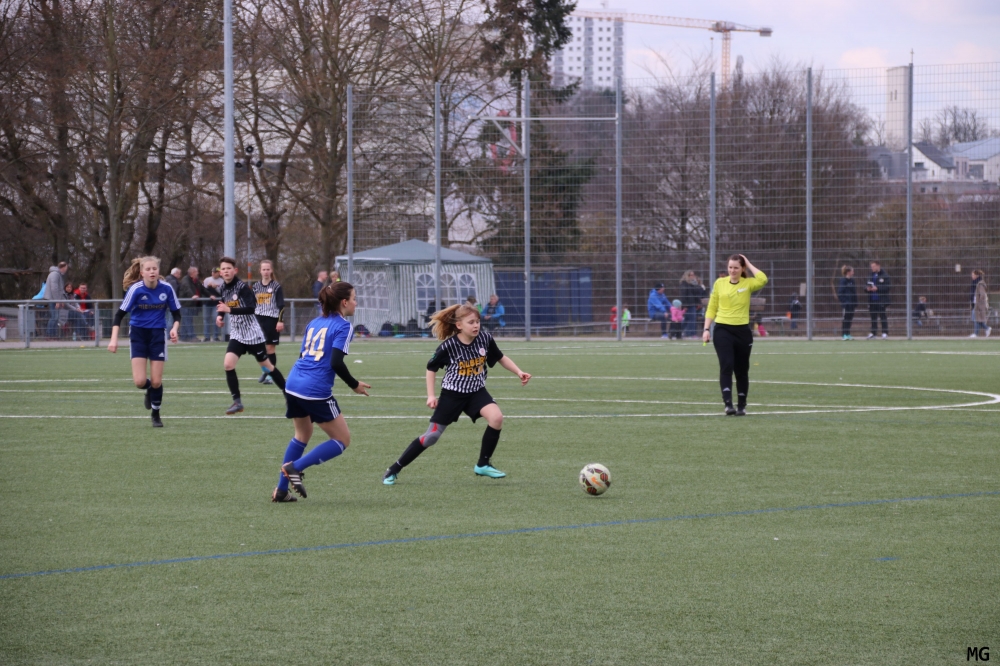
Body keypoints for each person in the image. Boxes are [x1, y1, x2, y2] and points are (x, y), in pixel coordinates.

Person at [381, 303, 531, 486]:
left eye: (477, 321)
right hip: (452, 395)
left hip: (476, 392)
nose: (476, 325)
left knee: (496, 418)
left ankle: (483, 464)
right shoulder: (449, 346)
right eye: (471, 322)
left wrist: (519, 372)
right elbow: (431, 368)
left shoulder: (485, 338)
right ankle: (394, 468)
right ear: (459, 325)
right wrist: (431, 395)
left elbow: (500, 357)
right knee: (431, 437)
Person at [274, 282, 371, 502]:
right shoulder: (344, 326)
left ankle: (281, 491)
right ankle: (295, 467)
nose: (356, 303)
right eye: (354, 298)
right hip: (314, 389)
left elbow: (303, 356)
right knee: (342, 440)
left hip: (293, 384)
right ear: (344, 302)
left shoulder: (314, 322)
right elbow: (336, 362)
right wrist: (354, 384)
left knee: (302, 435)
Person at [107, 256, 181, 427]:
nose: (152, 272)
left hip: (157, 335)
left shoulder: (167, 288)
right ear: (142, 273)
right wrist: (113, 339)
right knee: (140, 382)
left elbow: (177, 313)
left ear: (158, 271)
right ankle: (149, 390)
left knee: (156, 381)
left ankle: (156, 414)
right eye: (148, 269)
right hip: (138, 335)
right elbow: (119, 315)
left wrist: (174, 328)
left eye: (154, 269)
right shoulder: (136, 289)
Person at [215, 256, 287, 414]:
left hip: (253, 335)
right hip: (237, 335)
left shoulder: (242, 287)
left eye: (229, 268)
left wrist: (229, 310)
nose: (226, 271)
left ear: (235, 270)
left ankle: (289, 395)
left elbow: (251, 308)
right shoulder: (223, 288)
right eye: (223, 269)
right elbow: (222, 305)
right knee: (228, 364)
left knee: (267, 367)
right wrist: (220, 316)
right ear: (220, 272)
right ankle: (237, 402)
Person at [702, 254, 768, 416]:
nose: (732, 270)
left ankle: (741, 405)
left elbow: (763, 279)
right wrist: (706, 329)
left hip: (742, 332)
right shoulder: (719, 283)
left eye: (736, 267)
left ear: (742, 268)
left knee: (742, 369)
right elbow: (712, 307)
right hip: (722, 330)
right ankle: (728, 404)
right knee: (726, 365)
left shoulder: (748, 283)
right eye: (730, 267)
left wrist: (749, 263)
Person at [253, 259, 285, 385]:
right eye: (263, 269)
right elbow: (251, 303)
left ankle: (270, 376)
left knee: (270, 349)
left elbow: (281, 305)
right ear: (260, 271)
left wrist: (280, 321)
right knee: (259, 349)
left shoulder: (276, 286)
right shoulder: (256, 286)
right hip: (258, 320)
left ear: (271, 270)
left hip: (271, 320)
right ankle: (265, 370)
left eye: (268, 269)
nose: (266, 272)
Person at [866, 261, 891, 339]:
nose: (872, 268)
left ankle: (884, 332)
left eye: (873, 266)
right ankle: (873, 333)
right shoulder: (870, 275)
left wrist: (878, 288)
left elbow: (887, 287)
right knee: (873, 317)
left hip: (881, 300)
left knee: (882, 316)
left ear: (878, 266)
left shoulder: (885, 275)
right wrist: (867, 288)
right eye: (871, 267)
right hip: (872, 299)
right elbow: (866, 285)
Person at [177, 266, 203, 341]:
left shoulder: (195, 280)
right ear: (192, 273)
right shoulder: (185, 280)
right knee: (188, 320)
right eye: (196, 272)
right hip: (185, 304)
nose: (197, 273)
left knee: (186, 320)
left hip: (190, 304)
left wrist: (210, 295)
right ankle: (192, 336)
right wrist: (192, 295)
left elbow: (202, 289)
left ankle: (183, 337)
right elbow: (187, 288)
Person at [43, 262, 68, 338]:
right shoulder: (55, 274)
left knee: (55, 317)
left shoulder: (57, 274)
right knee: (54, 317)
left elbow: (60, 290)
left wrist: (61, 300)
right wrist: (57, 300)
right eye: (66, 268)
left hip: (54, 299)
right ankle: (50, 334)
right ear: (63, 267)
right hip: (53, 299)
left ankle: (52, 335)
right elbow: (54, 288)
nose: (66, 270)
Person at [679, 271, 705, 338]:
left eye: (693, 275)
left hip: (693, 303)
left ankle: (678, 331)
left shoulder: (693, 283)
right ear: (687, 276)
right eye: (691, 275)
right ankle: (691, 334)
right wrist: (684, 305)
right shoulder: (684, 284)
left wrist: (697, 284)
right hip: (688, 304)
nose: (693, 276)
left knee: (688, 319)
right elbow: (683, 295)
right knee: (691, 319)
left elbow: (698, 292)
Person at [202, 267, 224, 341]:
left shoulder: (222, 281)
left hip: (216, 303)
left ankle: (215, 336)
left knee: (216, 319)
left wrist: (216, 287)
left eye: (215, 272)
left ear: (219, 273)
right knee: (206, 319)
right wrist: (208, 286)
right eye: (212, 272)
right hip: (207, 303)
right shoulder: (207, 280)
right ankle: (207, 336)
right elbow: (203, 290)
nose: (213, 273)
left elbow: (222, 292)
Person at [837, 265, 858, 340]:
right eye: (852, 271)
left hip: (852, 304)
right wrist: (844, 302)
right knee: (845, 319)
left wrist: (855, 302)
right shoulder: (843, 281)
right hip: (846, 304)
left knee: (850, 319)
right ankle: (844, 334)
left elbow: (854, 292)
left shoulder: (852, 281)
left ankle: (848, 333)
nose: (853, 272)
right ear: (848, 272)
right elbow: (840, 293)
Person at [971, 270, 991, 338]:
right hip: (976, 304)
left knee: (976, 318)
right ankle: (986, 328)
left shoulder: (980, 284)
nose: (972, 276)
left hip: (979, 304)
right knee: (976, 318)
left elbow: (982, 295)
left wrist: (978, 303)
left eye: (973, 275)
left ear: (977, 275)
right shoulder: (975, 283)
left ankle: (977, 333)